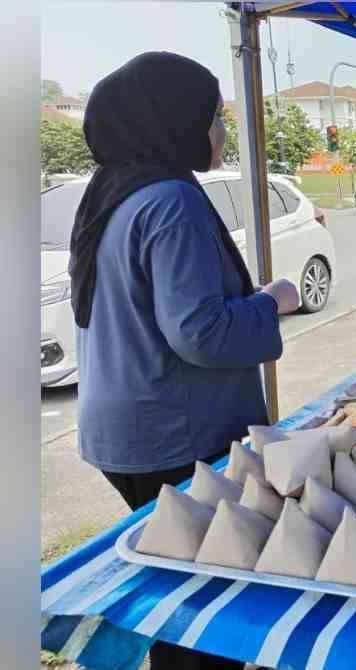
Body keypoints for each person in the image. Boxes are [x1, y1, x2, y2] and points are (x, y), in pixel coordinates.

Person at [69, 52, 299, 670]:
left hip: (125, 429)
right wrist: (271, 301)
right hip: (173, 432)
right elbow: (201, 333)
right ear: (171, 120)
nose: (221, 130)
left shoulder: (114, 192)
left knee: (179, 584)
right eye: (214, 116)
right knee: (207, 604)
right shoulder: (170, 200)